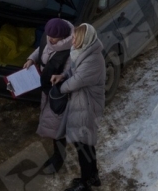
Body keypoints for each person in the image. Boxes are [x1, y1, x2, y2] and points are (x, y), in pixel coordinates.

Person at [50, 24, 105, 191]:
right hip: (80, 103)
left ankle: (86, 182)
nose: (72, 40)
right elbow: (73, 72)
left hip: (87, 106)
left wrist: (59, 89)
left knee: (84, 145)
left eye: (75, 38)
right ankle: (92, 177)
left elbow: (77, 81)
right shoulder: (83, 52)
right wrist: (62, 76)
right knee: (84, 144)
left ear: (83, 39)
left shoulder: (93, 59)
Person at [22, 18, 74, 174]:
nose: (50, 39)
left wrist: (62, 76)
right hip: (47, 88)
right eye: (49, 35)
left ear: (63, 36)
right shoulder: (49, 37)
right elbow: (41, 49)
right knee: (52, 123)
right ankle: (56, 153)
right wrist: (32, 59)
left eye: (54, 37)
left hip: (59, 93)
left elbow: (72, 71)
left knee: (57, 125)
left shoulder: (70, 51)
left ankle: (59, 157)